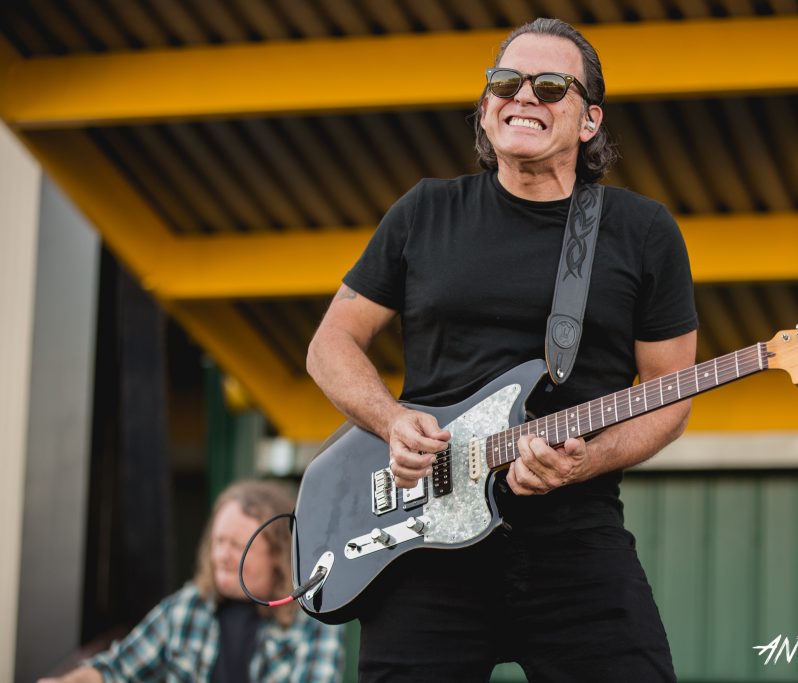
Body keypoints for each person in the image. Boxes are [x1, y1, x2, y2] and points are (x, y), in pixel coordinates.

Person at [306, 17, 697, 683]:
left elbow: (670, 392)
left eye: (550, 86)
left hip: (575, 538)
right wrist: (391, 419)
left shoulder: (642, 230)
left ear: (589, 120)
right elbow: (330, 343)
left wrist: (587, 459)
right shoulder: (424, 212)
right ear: (486, 109)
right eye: (505, 82)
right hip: (423, 548)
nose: (522, 96)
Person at [40, 480, 345, 682]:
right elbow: (115, 671)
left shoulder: (312, 620)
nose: (222, 555)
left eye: (237, 546)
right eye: (219, 541)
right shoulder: (187, 607)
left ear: (278, 557)